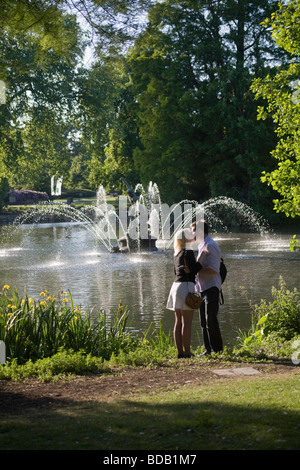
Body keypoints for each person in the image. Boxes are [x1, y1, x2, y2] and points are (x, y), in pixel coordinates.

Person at [166, 229, 203, 358]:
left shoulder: (177, 253)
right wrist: (200, 263)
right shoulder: (188, 252)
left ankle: (180, 352)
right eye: (190, 235)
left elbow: (176, 272)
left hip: (175, 286)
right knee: (187, 322)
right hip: (186, 286)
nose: (193, 236)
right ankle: (187, 352)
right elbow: (192, 271)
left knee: (178, 321)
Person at [191, 220, 223, 354]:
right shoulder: (201, 245)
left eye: (194, 231)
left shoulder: (211, 245)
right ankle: (208, 350)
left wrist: (195, 270)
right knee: (203, 322)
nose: (192, 234)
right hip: (202, 288)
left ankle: (218, 350)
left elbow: (214, 270)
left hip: (212, 288)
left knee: (211, 320)